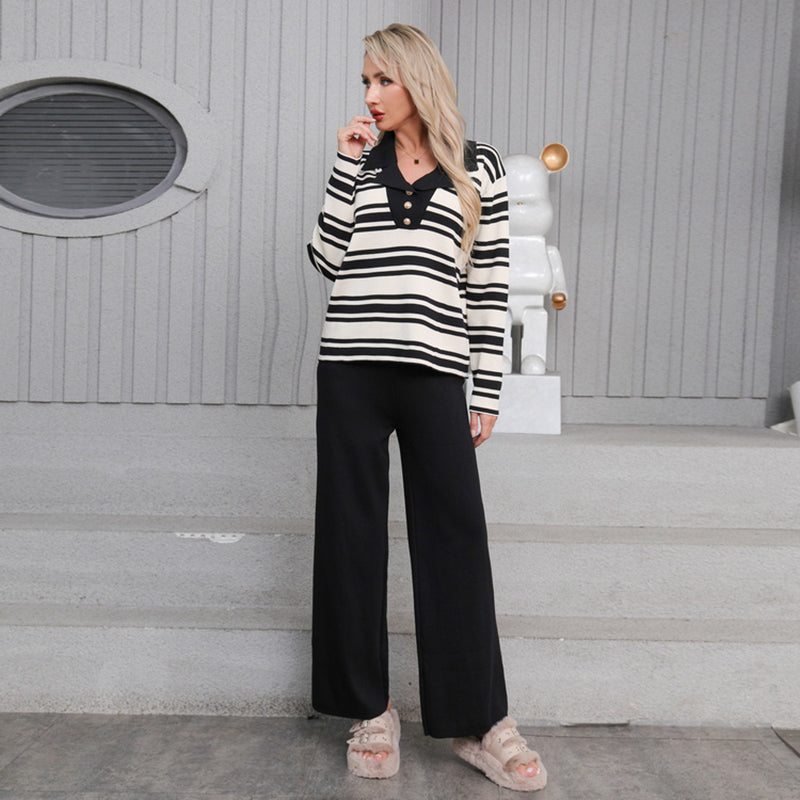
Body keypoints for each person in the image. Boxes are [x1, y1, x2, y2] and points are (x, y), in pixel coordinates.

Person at [306, 23, 547, 793]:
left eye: (384, 80)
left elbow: (489, 285)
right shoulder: (361, 161)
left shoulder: (479, 167)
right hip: (351, 370)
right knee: (350, 536)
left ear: (417, 79)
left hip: (436, 373)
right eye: (365, 82)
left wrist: (487, 390)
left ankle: (481, 722)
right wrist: (343, 167)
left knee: (454, 540)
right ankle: (369, 710)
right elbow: (325, 257)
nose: (371, 96)